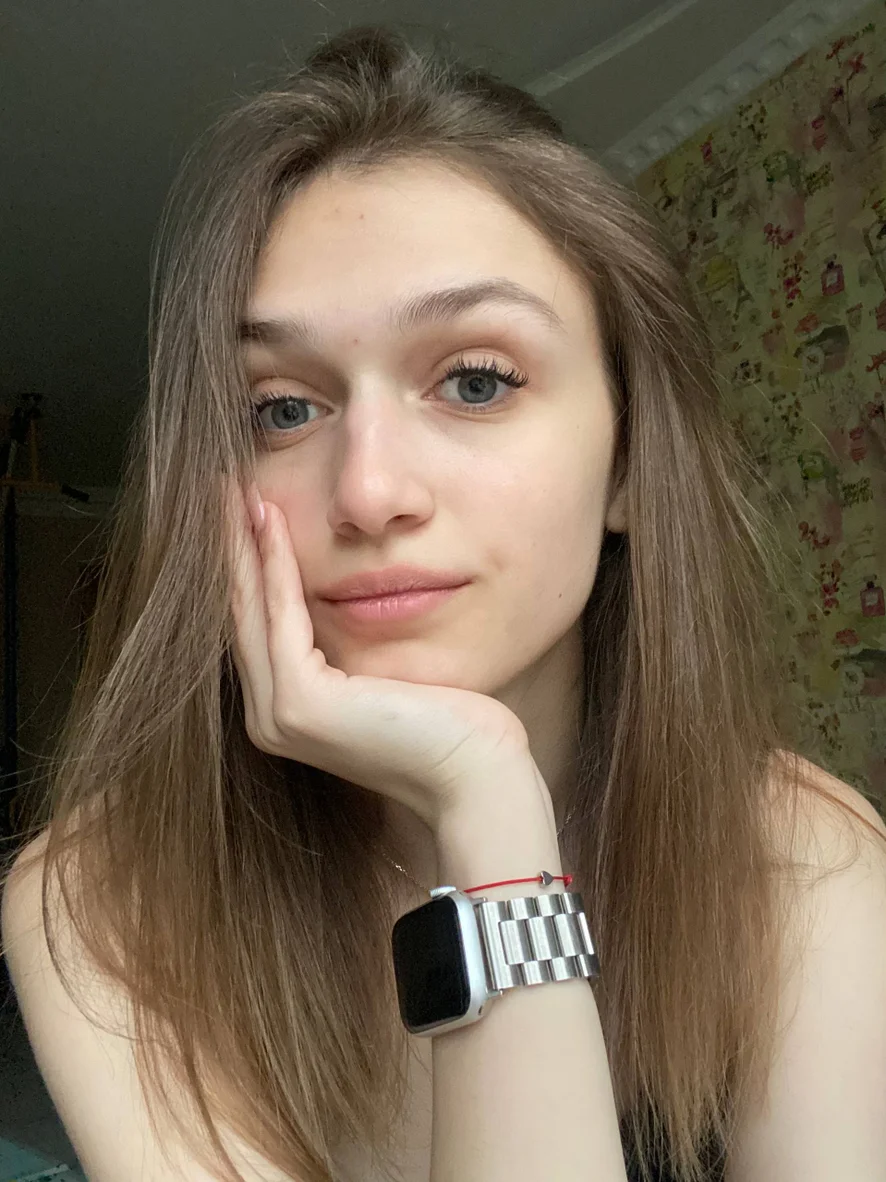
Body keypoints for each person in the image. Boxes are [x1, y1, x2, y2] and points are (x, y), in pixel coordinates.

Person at [2, 22, 885, 1182]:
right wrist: (489, 808)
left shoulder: (801, 864)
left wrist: (487, 826)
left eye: (474, 381)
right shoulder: (101, 903)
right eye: (280, 409)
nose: (369, 492)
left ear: (628, 464)